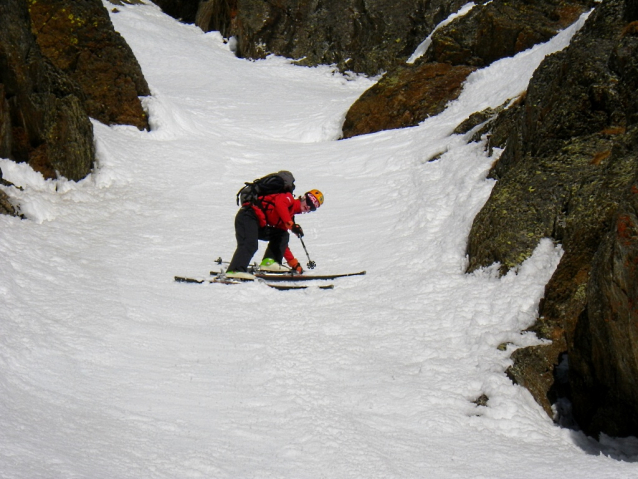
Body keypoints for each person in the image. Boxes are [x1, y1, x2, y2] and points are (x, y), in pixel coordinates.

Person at [226, 188, 324, 279]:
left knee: (282, 235)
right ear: (303, 197)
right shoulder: (288, 197)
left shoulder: (289, 216)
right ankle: (235, 270)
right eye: (310, 202)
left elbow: (282, 243)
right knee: (250, 244)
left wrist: (293, 263)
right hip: (247, 215)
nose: (309, 207)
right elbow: (280, 204)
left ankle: (269, 262)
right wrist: (291, 225)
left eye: (313, 207)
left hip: (257, 224)